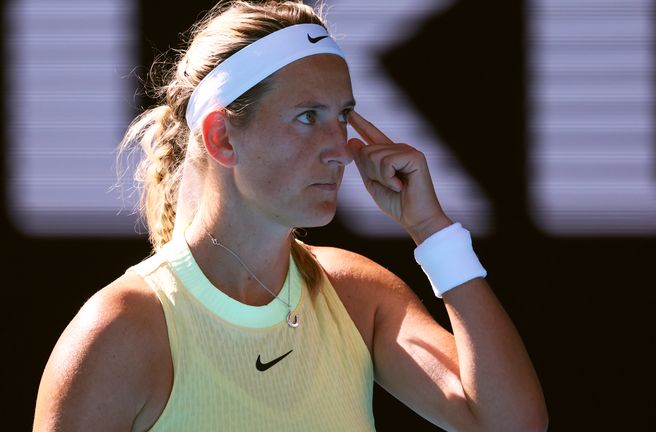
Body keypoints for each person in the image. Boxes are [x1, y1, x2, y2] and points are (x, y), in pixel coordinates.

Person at [33, 1, 548, 430]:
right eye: (308, 117)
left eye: (342, 116)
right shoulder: (121, 332)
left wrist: (432, 231)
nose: (340, 149)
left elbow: (510, 425)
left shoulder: (356, 294)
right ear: (222, 137)